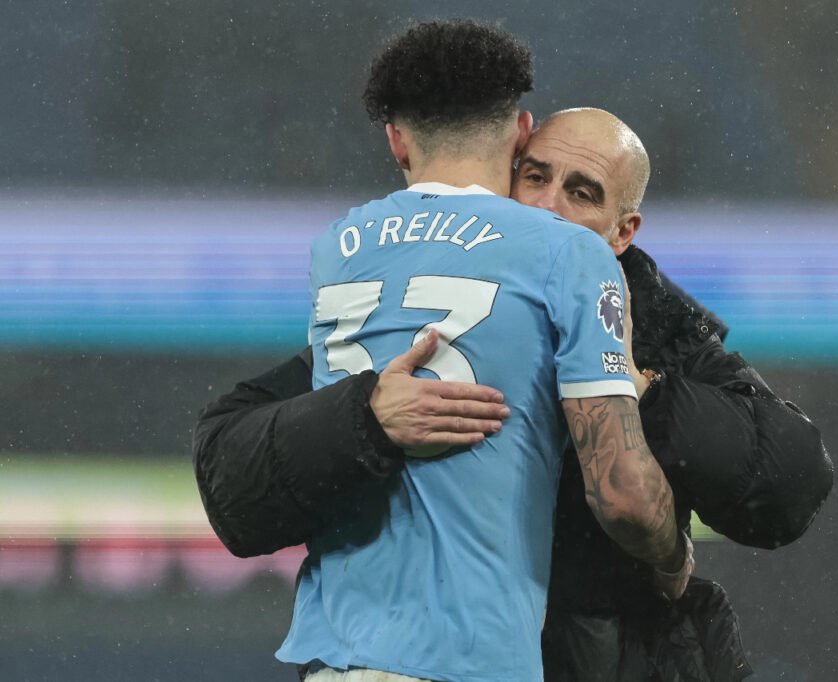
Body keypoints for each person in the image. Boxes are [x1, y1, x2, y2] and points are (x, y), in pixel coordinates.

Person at [193, 95, 832, 682]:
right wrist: (363, 415)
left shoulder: (657, 328)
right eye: (535, 176)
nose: (549, 205)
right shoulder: (425, 312)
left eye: (581, 193)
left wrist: (635, 386)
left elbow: (790, 485)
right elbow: (232, 480)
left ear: (622, 232)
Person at [264, 20, 691, 682]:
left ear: (396, 139)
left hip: (337, 656)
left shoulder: (338, 247)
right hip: (467, 659)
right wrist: (672, 558)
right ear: (522, 130)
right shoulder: (568, 251)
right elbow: (623, 494)